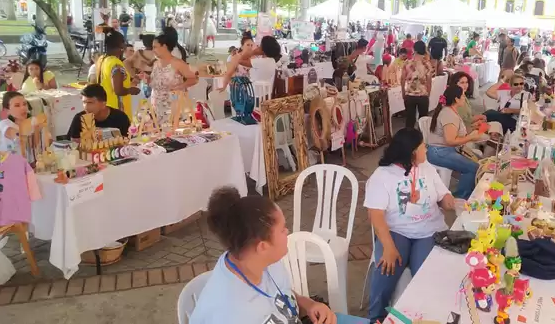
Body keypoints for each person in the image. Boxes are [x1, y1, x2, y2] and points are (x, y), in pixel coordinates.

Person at [190, 187, 339, 324]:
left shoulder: (264, 261)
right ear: (263, 247)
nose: (287, 231)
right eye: (282, 229)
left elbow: (282, 295)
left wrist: (310, 305)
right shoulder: (229, 312)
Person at [365, 128, 456, 323]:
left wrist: (447, 201)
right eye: (423, 145)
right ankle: (376, 318)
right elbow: (375, 215)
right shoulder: (382, 176)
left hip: (429, 231)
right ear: (412, 152)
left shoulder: (427, 168)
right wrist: (388, 247)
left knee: (425, 272)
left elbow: (443, 195)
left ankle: (423, 317)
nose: (427, 149)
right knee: (385, 267)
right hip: (398, 231)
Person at [426, 85, 481, 198]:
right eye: (462, 96)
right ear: (456, 99)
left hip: (445, 149)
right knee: (473, 167)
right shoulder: (448, 113)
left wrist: (472, 130)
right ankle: (461, 197)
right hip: (439, 152)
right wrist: (471, 137)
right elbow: (450, 140)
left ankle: (467, 192)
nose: (464, 98)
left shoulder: (450, 111)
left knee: (479, 161)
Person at [148, 27, 198, 126]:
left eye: (155, 47)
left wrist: (180, 86)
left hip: (173, 106)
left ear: (164, 47)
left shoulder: (177, 63)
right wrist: (147, 79)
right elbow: (156, 81)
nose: (153, 50)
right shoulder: (156, 63)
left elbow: (194, 78)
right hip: (156, 106)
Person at [95, 28, 141, 116]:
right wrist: (131, 90)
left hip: (104, 105)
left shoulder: (102, 59)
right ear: (121, 45)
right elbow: (118, 90)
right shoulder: (116, 64)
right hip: (116, 109)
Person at [67, 84, 131, 139]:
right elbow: (72, 142)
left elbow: (128, 140)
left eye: (90, 103)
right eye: (84, 102)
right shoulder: (79, 118)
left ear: (103, 104)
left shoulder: (120, 117)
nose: (86, 107)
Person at [401, 41, 433, 128]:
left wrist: (403, 92)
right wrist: (428, 94)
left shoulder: (407, 62)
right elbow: (429, 81)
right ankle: (422, 139)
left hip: (409, 95)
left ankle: (409, 139)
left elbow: (402, 79)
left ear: (414, 49)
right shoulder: (427, 64)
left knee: (410, 120)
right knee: (423, 120)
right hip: (423, 95)